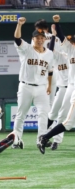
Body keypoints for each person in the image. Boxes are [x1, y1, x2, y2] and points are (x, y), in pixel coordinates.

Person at [13, 17, 54, 148]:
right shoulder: (27, 49)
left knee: (44, 113)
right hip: (26, 85)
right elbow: (17, 39)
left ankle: (41, 139)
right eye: (38, 37)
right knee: (21, 114)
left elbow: (50, 71)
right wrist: (19, 25)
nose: (40, 39)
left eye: (42, 38)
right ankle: (16, 139)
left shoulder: (49, 54)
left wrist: (48, 85)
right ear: (33, 38)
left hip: (41, 87)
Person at [38, 15, 75, 154]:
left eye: (73, 41)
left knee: (65, 118)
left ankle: (52, 139)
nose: (71, 42)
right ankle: (45, 137)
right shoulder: (69, 50)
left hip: (71, 86)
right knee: (61, 117)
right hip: (69, 86)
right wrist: (56, 23)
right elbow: (56, 41)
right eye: (71, 41)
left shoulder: (67, 51)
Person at [46, 25, 68, 150]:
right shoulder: (60, 56)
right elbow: (50, 50)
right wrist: (54, 35)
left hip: (72, 89)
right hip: (62, 88)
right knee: (53, 113)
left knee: (62, 116)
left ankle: (56, 141)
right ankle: (44, 136)